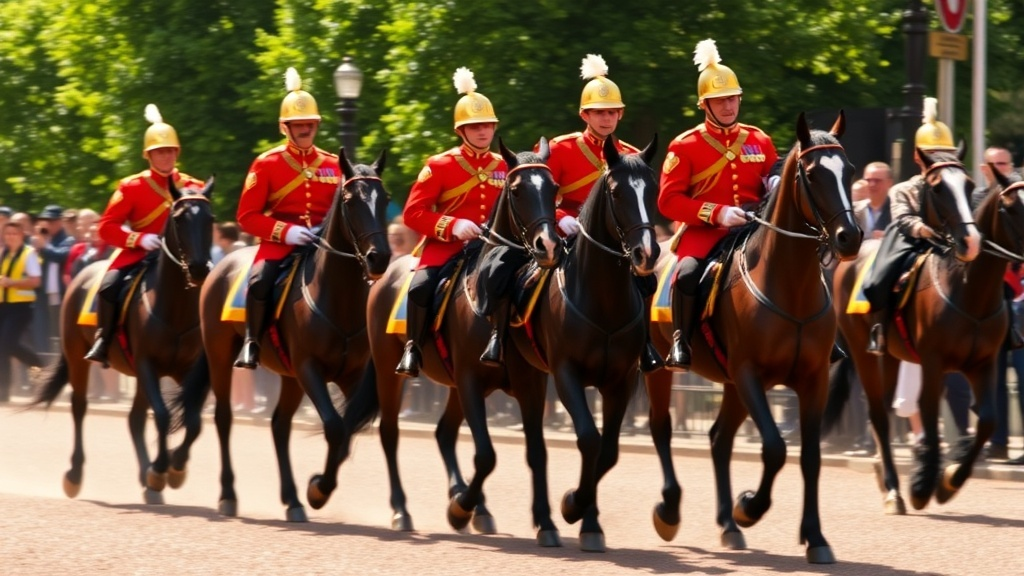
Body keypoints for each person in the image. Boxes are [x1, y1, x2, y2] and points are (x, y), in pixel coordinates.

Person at [508, 53, 661, 373]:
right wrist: (560, 217)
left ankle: (645, 344)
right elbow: (536, 193)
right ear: (584, 115)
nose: (606, 119)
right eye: (599, 112)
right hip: (565, 236)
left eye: (612, 112)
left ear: (620, 114)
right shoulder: (560, 149)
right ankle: (508, 336)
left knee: (647, 281)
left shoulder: (631, 156)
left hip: (613, 242)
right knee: (521, 279)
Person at [658, 38, 779, 372]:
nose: (728, 106)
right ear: (705, 105)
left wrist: (778, 179)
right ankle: (681, 341)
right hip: (706, 236)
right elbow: (668, 201)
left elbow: (774, 169)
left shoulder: (759, 139)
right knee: (686, 275)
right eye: (719, 101)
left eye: (732, 99)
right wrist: (717, 213)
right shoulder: (685, 145)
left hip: (755, 229)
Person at [395, 67, 506, 377]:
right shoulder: (440, 165)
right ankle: (413, 348)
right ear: (461, 131)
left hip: (492, 247)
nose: (483, 132)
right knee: (419, 288)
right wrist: (452, 225)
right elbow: (413, 214)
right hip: (447, 247)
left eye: (487, 125)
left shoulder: (504, 166)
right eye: (475, 127)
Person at [234, 67, 341, 369]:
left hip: (325, 243)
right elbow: (247, 217)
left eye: (311, 123)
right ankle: (252, 342)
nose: (306, 129)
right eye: (299, 124)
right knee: (258, 283)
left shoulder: (334, 164)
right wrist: (286, 232)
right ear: (285, 127)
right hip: (282, 244)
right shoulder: (267, 163)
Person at [85, 104, 204, 366]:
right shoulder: (132, 187)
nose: (166, 157)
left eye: (170, 151)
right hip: (140, 253)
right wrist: (138, 239)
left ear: (177, 153)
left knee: (214, 283)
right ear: (148, 155)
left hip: (182, 257)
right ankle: (103, 340)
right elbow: (107, 227)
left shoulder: (193, 186)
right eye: (159, 152)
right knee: (108, 286)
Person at [862, 97, 964, 355]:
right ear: (918, 157)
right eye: (932, 153)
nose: (940, 158)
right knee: (880, 276)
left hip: (950, 241)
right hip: (912, 243)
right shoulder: (903, 188)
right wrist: (924, 229)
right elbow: (902, 218)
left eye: (946, 152)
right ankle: (879, 329)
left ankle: (1004, 327)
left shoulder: (956, 184)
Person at [0, 221, 44, 402]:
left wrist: (13, 282)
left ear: (21, 235)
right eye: (7, 233)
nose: (10, 236)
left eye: (14, 233)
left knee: (4, 346)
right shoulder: (2, 253)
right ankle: (38, 365)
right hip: (3, 305)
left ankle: (3, 391)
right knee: (5, 346)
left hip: (21, 307)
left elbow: (36, 281)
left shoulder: (29, 254)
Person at [33, 204, 75, 347]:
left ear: (59, 222)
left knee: (60, 329)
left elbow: (61, 255)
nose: (47, 224)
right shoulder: (45, 240)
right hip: (44, 293)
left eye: (51, 221)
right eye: (45, 221)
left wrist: (44, 246)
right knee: (44, 329)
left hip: (61, 292)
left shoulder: (68, 240)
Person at [855, 162, 893, 240]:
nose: (872, 184)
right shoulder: (853, 210)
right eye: (868, 180)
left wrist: (890, 237)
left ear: (889, 183)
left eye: (877, 181)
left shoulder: (897, 211)